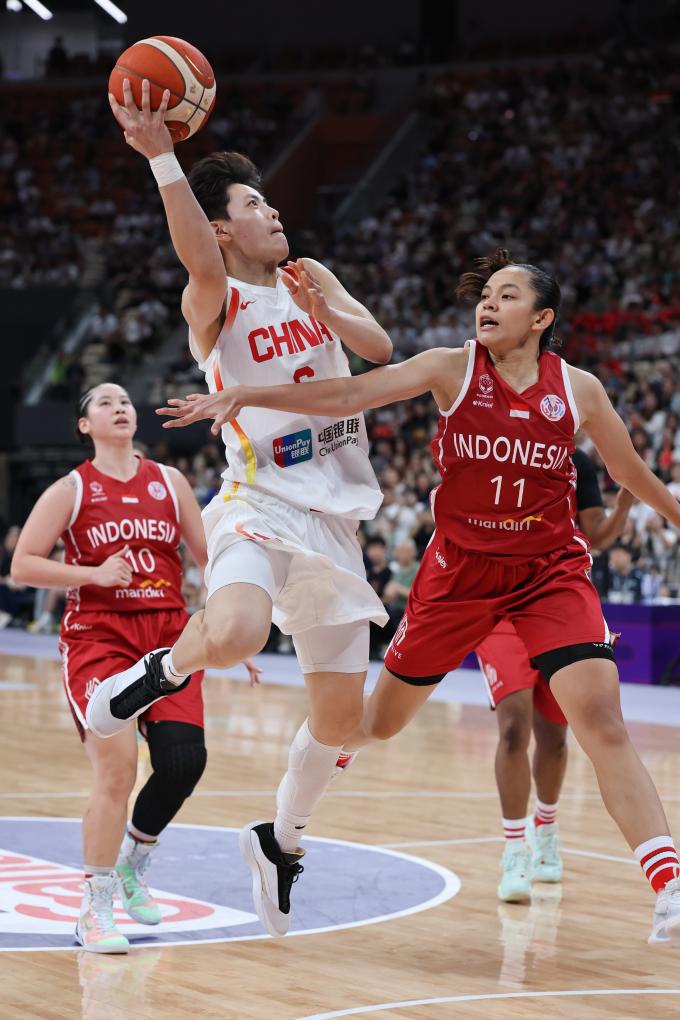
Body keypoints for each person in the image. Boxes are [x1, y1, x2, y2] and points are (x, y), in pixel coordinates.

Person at [153, 249, 680, 943]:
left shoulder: (577, 388)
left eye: (508, 295)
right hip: (459, 578)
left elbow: (627, 469)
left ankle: (669, 888)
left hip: (548, 572)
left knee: (601, 720)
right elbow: (349, 396)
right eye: (486, 294)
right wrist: (249, 394)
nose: (488, 303)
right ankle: (281, 831)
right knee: (371, 724)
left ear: (542, 318)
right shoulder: (449, 368)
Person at [87, 79, 391, 938]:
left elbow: (377, 350)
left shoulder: (309, 275)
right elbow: (194, 256)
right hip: (259, 498)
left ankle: (279, 838)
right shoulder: (214, 296)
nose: (273, 210)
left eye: (269, 200)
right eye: (254, 204)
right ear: (223, 228)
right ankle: (145, 682)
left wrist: (325, 308)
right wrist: (163, 161)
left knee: (344, 723)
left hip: (336, 516)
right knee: (237, 633)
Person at [11, 383, 260, 954]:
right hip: (100, 638)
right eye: (105, 402)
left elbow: (210, 559)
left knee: (183, 761)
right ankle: (94, 906)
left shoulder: (169, 482)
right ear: (84, 425)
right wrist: (91, 575)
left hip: (170, 635)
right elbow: (23, 565)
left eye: (124, 401)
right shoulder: (71, 489)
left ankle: (134, 858)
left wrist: (235, 628)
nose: (119, 407)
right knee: (117, 771)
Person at [476, 449, 635, 903]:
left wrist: (626, 498)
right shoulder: (488, 445)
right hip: (499, 606)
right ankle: (514, 850)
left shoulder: (576, 460)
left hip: (556, 603)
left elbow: (596, 533)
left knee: (554, 736)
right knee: (513, 728)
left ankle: (545, 827)